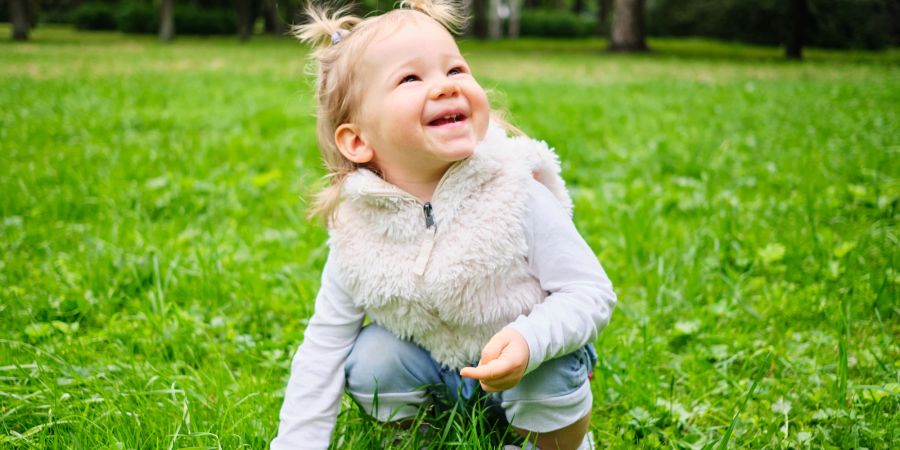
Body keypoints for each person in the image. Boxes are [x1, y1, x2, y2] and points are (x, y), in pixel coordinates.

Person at [272, 1, 616, 449]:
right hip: (444, 370)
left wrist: (529, 340)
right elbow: (324, 347)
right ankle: (436, 434)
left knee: (549, 369)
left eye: (455, 69)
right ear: (358, 141)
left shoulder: (514, 192)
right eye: (411, 79)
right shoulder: (358, 230)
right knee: (372, 358)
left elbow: (591, 293)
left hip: (529, 363)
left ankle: (549, 443)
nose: (445, 87)